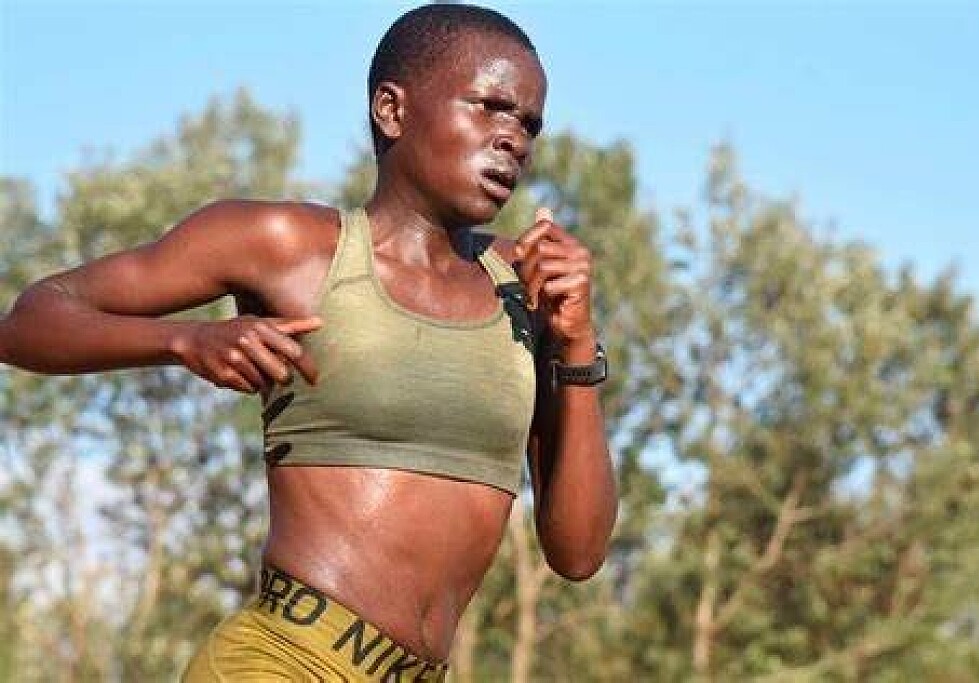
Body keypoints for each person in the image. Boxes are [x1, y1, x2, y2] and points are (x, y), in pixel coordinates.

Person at [0, 3, 616, 681]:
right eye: (490, 107)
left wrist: (576, 344)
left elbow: (578, 553)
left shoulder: (523, 292)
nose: (513, 140)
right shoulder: (288, 246)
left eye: (528, 124)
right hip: (284, 660)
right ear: (392, 110)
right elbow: (31, 320)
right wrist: (186, 340)